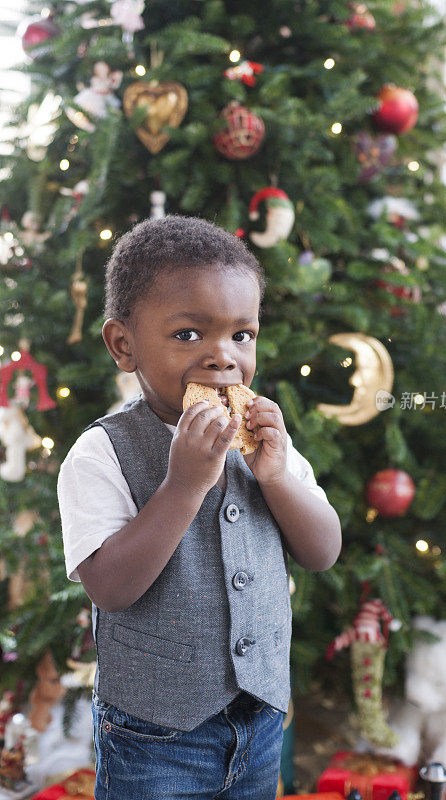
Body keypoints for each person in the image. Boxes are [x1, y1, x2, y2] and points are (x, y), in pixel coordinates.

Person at [58, 214, 342, 800]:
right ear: (123, 344)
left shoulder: (264, 442)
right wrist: (183, 486)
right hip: (154, 739)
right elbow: (109, 588)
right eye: (189, 334)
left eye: (242, 334)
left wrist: (278, 479)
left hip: (260, 722)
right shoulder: (100, 453)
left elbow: (323, 551)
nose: (222, 357)